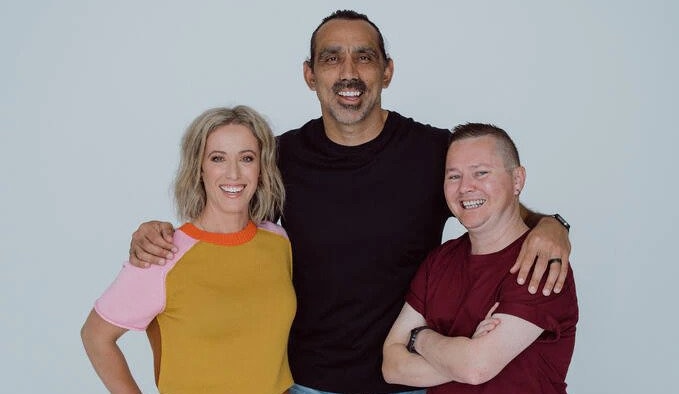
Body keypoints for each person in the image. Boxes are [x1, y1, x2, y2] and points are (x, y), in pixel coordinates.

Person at [127, 10, 573, 394]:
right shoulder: (282, 158)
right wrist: (158, 232)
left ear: (387, 71)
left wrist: (552, 225)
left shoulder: (432, 152)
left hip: (413, 381)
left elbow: (487, 202)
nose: (349, 72)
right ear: (310, 74)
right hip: (306, 380)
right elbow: (227, 229)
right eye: (331, 58)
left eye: (364, 56)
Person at [81, 106, 295, 394]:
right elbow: (96, 336)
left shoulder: (278, 241)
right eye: (218, 158)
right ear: (199, 168)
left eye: (247, 158)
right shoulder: (163, 253)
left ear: (261, 167)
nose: (233, 173)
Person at [382, 123, 578, 393]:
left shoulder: (541, 264)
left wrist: (420, 338)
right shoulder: (440, 260)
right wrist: (463, 356)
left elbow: (475, 368)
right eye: (454, 176)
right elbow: (392, 366)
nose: (465, 187)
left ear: (517, 180)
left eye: (481, 173)